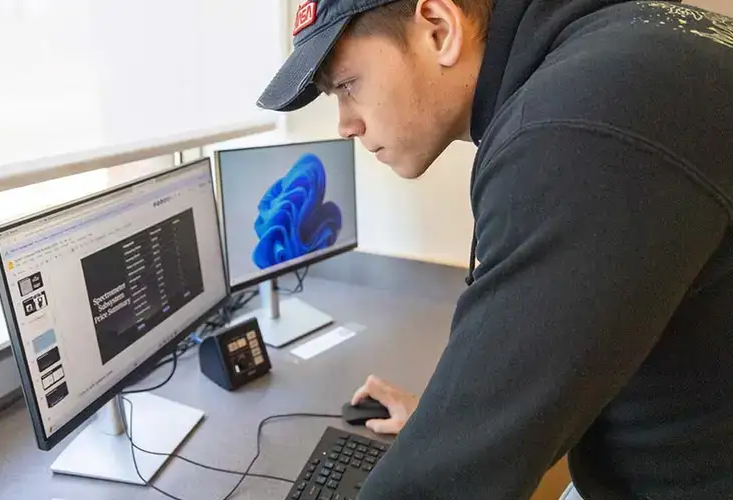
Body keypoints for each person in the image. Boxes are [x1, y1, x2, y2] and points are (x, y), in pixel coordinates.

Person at [258, 0, 733, 499]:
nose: (345, 124)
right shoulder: (618, 50)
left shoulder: (577, 124)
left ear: (438, 29)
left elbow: (443, 488)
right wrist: (462, 423)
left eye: (348, 85)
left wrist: (462, 445)